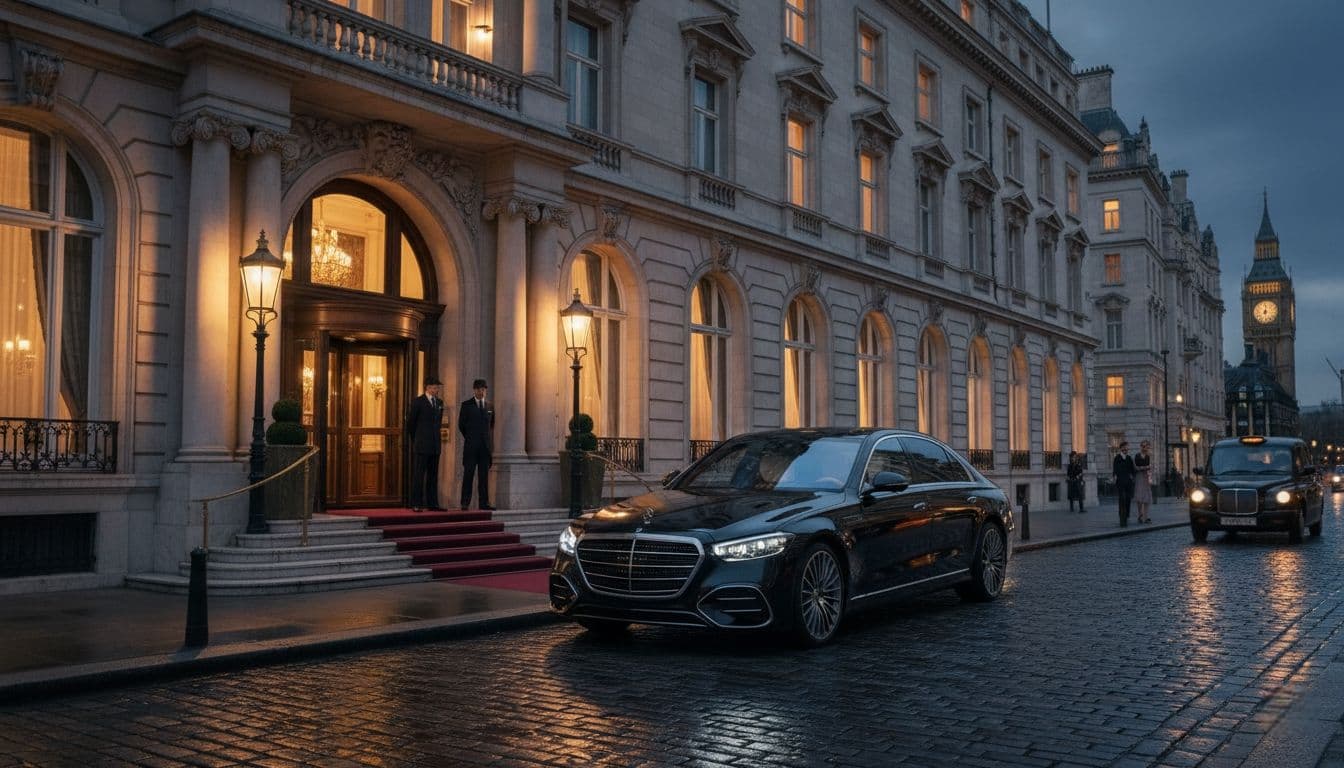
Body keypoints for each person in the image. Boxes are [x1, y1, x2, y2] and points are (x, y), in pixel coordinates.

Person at [406, 376, 446, 512]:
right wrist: (416, 439)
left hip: (435, 446)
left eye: (438, 388)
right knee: (419, 475)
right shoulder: (418, 402)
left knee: (433, 476)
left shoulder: (440, 403)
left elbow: (438, 423)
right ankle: (416, 503)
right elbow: (411, 424)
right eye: (435, 387)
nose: (437, 390)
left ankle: (433, 503)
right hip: (422, 445)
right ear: (427, 388)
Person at [458, 378, 495, 510]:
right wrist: (471, 438)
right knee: (468, 474)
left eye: (484, 389)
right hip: (471, 447)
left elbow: (491, 425)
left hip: (485, 448)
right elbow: (461, 425)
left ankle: (484, 503)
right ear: (474, 390)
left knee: (483, 477)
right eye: (479, 389)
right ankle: (465, 502)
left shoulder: (490, 406)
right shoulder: (466, 405)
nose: (482, 392)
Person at [1112, 441, 1137, 527]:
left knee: (1128, 499)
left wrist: (1132, 476)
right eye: (1125, 447)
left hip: (1128, 482)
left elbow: (1133, 470)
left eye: (1127, 448)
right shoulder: (1117, 458)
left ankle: (1126, 514)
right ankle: (1122, 515)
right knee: (1122, 498)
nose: (1126, 449)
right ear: (1121, 448)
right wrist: (1115, 476)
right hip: (1120, 481)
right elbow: (1115, 469)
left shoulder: (1129, 458)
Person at [1133, 441, 1155, 523]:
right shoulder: (1137, 456)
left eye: (1146, 447)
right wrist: (1144, 467)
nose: (1145, 448)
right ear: (1141, 447)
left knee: (1146, 497)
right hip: (1139, 477)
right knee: (1139, 497)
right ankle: (1140, 515)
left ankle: (1146, 516)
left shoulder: (1148, 456)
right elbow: (1136, 467)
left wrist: (1145, 468)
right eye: (1144, 446)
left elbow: (1150, 466)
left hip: (1146, 476)